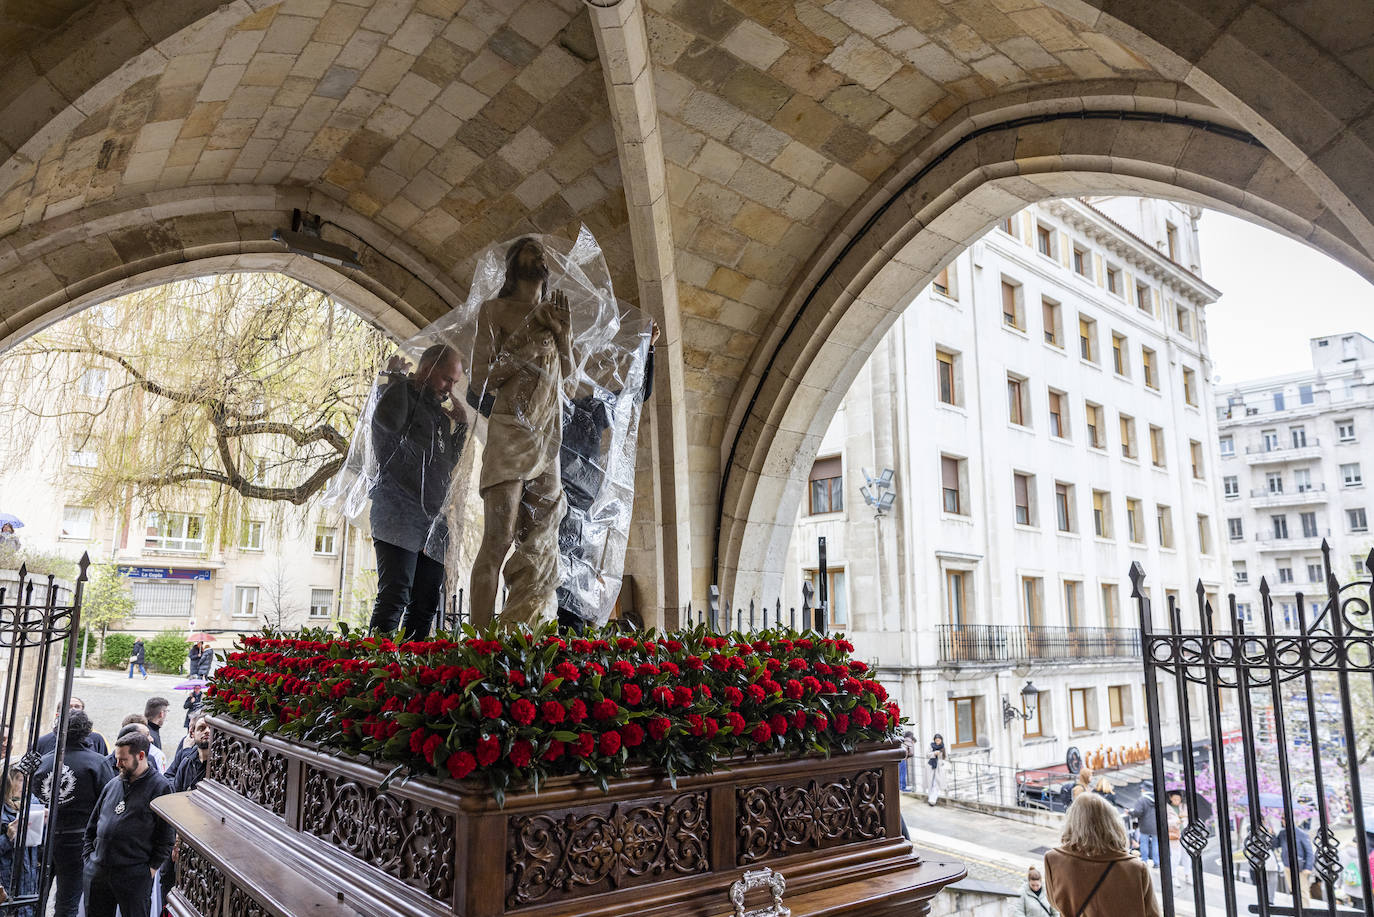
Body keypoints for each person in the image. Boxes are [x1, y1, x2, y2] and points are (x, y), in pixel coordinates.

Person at [468, 237, 575, 626]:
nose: (539, 256)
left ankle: (527, 632)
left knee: (542, 545)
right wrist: (529, 348)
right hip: (510, 434)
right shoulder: (494, 310)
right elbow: (480, 379)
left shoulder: (555, 313)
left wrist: (562, 337)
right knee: (497, 539)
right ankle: (480, 645)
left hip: (548, 439)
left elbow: (572, 382)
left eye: (542, 253)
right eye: (529, 251)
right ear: (513, 265)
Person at [555, 316, 657, 630]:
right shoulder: (550, 410)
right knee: (554, 581)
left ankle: (573, 637)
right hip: (553, 505)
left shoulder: (590, 409)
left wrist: (647, 351)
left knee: (578, 583)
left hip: (583, 509)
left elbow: (634, 395)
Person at [368, 343, 469, 640]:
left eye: (454, 383)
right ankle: (376, 673)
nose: (450, 389)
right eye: (446, 379)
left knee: (425, 603)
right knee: (395, 595)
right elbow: (385, 433)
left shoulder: (437, 414)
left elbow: (446, 463)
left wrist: (461, 428)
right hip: (398, 512)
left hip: (433, 520)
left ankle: (411, 675)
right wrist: (395, 382)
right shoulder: (399, 396)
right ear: (426, 369)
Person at [82, 730, 173, 917]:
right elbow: (92, 826)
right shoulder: (113, 784)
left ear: (140, 756)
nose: (117, 764)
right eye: (117, 758)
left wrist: (150, 869)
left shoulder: (161, 787)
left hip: (134, 875)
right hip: (98, 871)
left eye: (123, 759)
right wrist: (89, 860)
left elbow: (166, 836)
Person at [34, 710, 115, 917]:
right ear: (86, 733)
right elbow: (108, 804)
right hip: (76, 840)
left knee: (36, 897)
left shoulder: (42, 763)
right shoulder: (98, 763)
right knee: (67, 902)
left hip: (43, 836)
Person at [1044, 793, 1162, 917]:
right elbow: (1152, 914)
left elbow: (1054, 902)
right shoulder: (1135, 868)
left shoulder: (1053, 859)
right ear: (1113, 823)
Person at [0, 767, 40, 917]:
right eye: (21, 780)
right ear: (9, 781)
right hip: (6, 881)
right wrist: (7, 838)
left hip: (28, 882)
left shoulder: (31, 803)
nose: (26, 784)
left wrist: (43, 823)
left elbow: (39, 847)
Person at [34, 697, 108, 756]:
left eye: (77, 706)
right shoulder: (43, 742)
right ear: (57, 715)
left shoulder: (97, 739)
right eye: (68, 706)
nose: (73, 709)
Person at [1274, 816, 1315, 905]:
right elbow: (1275, 845)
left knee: (1303, 891)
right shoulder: (1282, 833)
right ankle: (1297, 908)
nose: (1283, 820)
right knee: (1293, 889)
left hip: (1300, 867)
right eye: (1282, 818)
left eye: (1284, 818)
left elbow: (1309, 852)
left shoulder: (1301, 834)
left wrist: (1308, 867)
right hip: (1287, 865)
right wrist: (1271, 834)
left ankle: (1305, 911)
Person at [1165, 790, 1190, 887]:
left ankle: (1187, 875)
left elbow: (1188, 819)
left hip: (1185, 834)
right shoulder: (1167, 808)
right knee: (1176, 856)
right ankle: (1173, 877)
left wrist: (1185, 817)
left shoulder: (1183, 806)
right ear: (1170, 798)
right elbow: (1165, 822)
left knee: (1186, 855)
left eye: (1178, 799)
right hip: (1174, 835)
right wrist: (1176, 821)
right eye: (1174, 799)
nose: (1177, 801)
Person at [1131, 788, 1160, 868]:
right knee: (1156, 844)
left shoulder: (1142, 800)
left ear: (1143, 789)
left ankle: (1144, 861)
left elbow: (1137, 812)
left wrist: (1130, 812)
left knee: (1144, 843)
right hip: (1156, 825)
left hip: (1144, 825)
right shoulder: (1157, 798)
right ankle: (1157, 862)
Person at [927, 733, 947, 806]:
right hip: (931, 766)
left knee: (937, 783)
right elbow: (927, 754)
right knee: (930, 783)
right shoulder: (931, 745)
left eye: (939, 740)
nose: (937, 741)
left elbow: (945, 757)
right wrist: (934, 753)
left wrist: (941, 760)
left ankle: (932, 800)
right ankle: (930, 798)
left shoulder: (943, 747)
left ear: (941, 740)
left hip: (939, 768)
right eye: (936, 740)